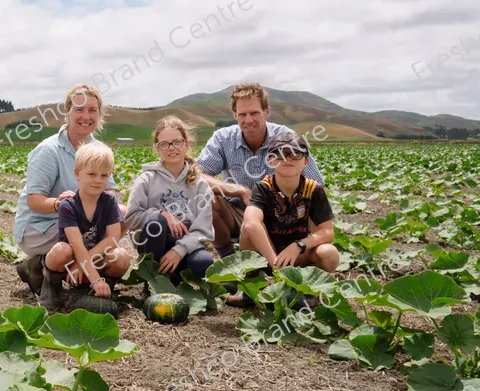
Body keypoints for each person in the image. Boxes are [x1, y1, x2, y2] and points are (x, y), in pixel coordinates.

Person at [13, 84, 126, 296]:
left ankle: (85, 273)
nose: (86, 116)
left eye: (92, 110)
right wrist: (59, 203)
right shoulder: (49, 150)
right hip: (41, 225)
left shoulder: (97, 150)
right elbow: (34, 200)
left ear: (99, 114)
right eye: (79, 109)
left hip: (79, 225)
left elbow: (109, 193)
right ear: (67, 113)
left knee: (122, 214)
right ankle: (40, 267)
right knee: (80, 229)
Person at [195, 83, 324, 257]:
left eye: (254, 113)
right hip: (237, 215)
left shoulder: (284, 137)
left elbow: (317, 186)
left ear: (266, 112)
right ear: (235, 115)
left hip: (282, 218)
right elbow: (196, 174)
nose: (248, 120)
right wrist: (240, 191)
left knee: (323, 253)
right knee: (203, 195)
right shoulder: (223, 138)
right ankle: (229, 259)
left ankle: (299, 253)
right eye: (242, 114)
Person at [231, 131, 339, 306]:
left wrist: (298, 246)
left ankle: (310, 288)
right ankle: (251, 285)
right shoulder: (263, 188)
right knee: (246, 228)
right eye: (281, 153)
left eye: (295, 153)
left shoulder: (314, 190)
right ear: (271, 160)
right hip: (266, 256)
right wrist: (275, 263)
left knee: (329, 253)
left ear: (306, 161)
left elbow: (328, 233)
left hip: (299, 256)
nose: (288, 158)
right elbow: (251, 223)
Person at [39, 142, 132, 311]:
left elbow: (113, 238)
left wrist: (86, 268)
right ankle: (51, 284)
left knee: (121, 256)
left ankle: (104, 287)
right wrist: (94, 277)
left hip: (92, 259)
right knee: (61, 250)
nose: (98, 180)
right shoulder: (68, 205)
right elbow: (76, 245)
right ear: (77, 174)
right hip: (70, 261)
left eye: (104, 176)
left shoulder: (109, 201)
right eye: (91, 174)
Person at [124, 116, 217, 282]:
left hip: (185, 247)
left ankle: (174, 278)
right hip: (153, 244)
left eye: (176, 142)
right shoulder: (146, 179)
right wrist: (163, 215)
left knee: (204, 262)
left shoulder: (199, 184)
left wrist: (179, 250)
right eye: (164, 144)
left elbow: (203, 230)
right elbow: (132, 219)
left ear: (186, 144)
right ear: (157, 148)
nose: (171, 148)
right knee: (157, 221)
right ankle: (152, 280)